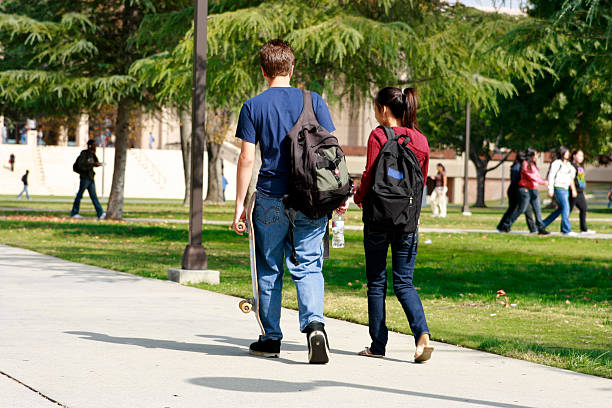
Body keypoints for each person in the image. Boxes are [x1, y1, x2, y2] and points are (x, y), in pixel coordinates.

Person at [231, 39, 347, 364]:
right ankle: (314, 326)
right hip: (310, 197)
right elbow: (329, 152)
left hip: (269, 197)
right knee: (309, 263)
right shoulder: (314, 101)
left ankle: (270, 338)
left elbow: (246, 158)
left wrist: (240, 204)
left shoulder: (253, 106)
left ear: (263, 70)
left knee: (269, 267)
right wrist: (336, 196)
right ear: (291, 68)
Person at [353, 87, 433, 363]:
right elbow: (421, 182)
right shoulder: (421, 141)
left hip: (377, 218)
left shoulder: (378, 135)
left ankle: (378, 345)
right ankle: (422, 334)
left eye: (375, 108)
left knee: (377, 283)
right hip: (407, 221)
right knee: (404, 283)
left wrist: (358, 197)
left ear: (383, 109)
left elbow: (369, 173)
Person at [499, 148, 549, 234]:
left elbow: (536, 175)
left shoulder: (533, 165)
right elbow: (530, 175)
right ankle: (506, 224)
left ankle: (541, 228)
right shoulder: (525, 164)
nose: (536, 157)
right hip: (525, 189)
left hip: (533, 189)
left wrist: (541, 179)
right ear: (531, 155)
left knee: (537, 209)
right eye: (535, 155)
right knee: (521, 209)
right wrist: (542, 182)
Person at [497, 152, 536, 233]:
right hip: (516, 191)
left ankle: (533, 228)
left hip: (518, 190)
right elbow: (515, 181)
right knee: (517, 209)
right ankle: (505, 225)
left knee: (526, 209)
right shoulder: (517, 167)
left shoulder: (519, 166)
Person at [542, 146, 577, 236]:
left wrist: (573, 189)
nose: (568, 154)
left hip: (566, 189)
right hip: (559, 188)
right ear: (562, 153)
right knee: (566, 208)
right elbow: (551, 176)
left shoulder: (568, 165)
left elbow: (571, 177)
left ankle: (542, 224)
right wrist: (550, 189)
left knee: (561, 209)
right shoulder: (556, 163)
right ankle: (566, 230)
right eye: (566, 152)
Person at [70, 139, 106, 220]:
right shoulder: (84, 154)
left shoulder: (92, 154)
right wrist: (91, 164)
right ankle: (74, 212)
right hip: (85, 178)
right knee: (79, 195)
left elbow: (95, 162)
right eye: (94, 145)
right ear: (90, 146)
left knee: (94, 196)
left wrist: (96, 164)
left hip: (90, 178)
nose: (95, 147)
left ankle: (100, 213)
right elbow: (83, 164)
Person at [569, 150, 595, 234]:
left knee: (583, 208)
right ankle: (565, 229)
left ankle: (584, 229)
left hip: (580, 192)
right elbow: (571, 179)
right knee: (567, 210)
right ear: (574, 156)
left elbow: (581, 180)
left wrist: (583, 190)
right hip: (574, 191)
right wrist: (573, 190)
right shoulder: (571, 166)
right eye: (579, 155)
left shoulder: (579, 167)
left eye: (582, 156)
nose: (581, 158)